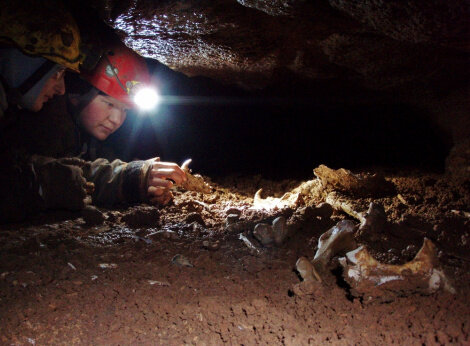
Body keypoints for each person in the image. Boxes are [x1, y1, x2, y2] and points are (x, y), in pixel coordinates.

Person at [2, 41, 186, 220]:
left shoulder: (89, 138)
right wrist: (127, 178)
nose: (117, 120)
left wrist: (141, 179)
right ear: (78, 95)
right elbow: (57, 170)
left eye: (125, 110)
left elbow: (88, 169)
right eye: (109, 103)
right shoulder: (41, 127)